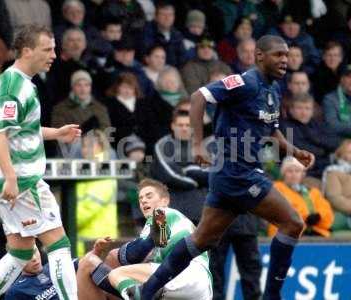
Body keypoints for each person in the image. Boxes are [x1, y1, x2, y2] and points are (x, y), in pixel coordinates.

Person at [135, 35, 315, 300]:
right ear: (259, 56)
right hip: (238, 172)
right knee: (292, 223)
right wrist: (197, 145)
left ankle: (146, 290)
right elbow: (199, 97)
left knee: (201, 241)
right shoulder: (244, 82)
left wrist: (296, 151)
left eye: (287, 55)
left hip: (229, 177)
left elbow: (271, 132)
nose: (285, 60)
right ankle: (272, 297)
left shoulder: (274, 91)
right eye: (278, 55)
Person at [0, 24, 81, 300]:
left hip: (12, 179)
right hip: (22, 179)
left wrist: (56, 133)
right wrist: (11, 176)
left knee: (20, 252)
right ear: (27, 51)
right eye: (47, 49)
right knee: (59, 245)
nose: (54, 55)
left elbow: (21, 129)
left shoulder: (23, 83)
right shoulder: (12, 84)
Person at [107, 178, 212, 300]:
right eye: (140, 199)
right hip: (203, 288)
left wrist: (117, 254)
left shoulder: (162, 213)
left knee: (116, 274)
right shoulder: (173, 224)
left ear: (165, 201)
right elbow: (157, 242)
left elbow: (136, 252)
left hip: (185, 274)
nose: (144, 201)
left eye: (149, 196)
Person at [268, 156, 334, 238]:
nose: (294, 174)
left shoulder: (312, 192)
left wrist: (319, 216)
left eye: (297, 171)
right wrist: (305, 218)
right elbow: (281, 211)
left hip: (314, 232)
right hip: (286, 233)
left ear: (302, 174)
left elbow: (327, 212)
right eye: (290, 171)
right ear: (283, 174)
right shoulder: (276, 188)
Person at [323, 139, 351, 232]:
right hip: (342, 215)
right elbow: (335, 199)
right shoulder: (333, 172)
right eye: (350, 152)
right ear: (342, 154)